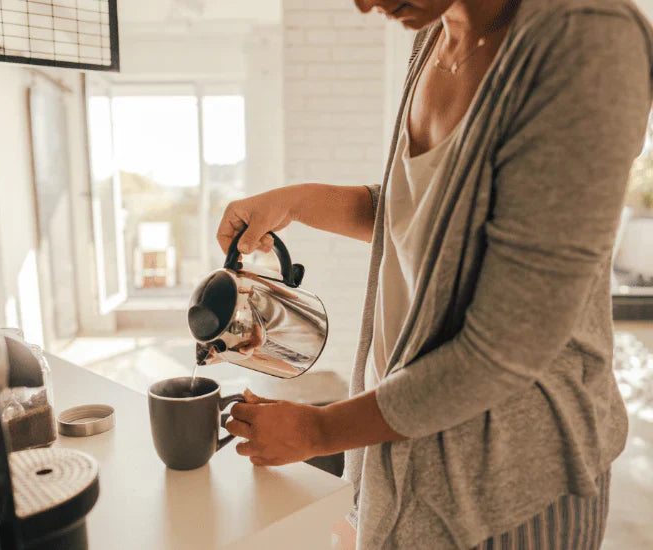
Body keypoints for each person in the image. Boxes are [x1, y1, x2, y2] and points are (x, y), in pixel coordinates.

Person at [220, 0, 653, 548]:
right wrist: (296, 203)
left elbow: (503, 352)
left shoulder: (585, 41)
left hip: (509, 489)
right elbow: (430, 218)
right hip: (402, 445)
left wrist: (320, 430)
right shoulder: (434, 34)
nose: (363, 4)